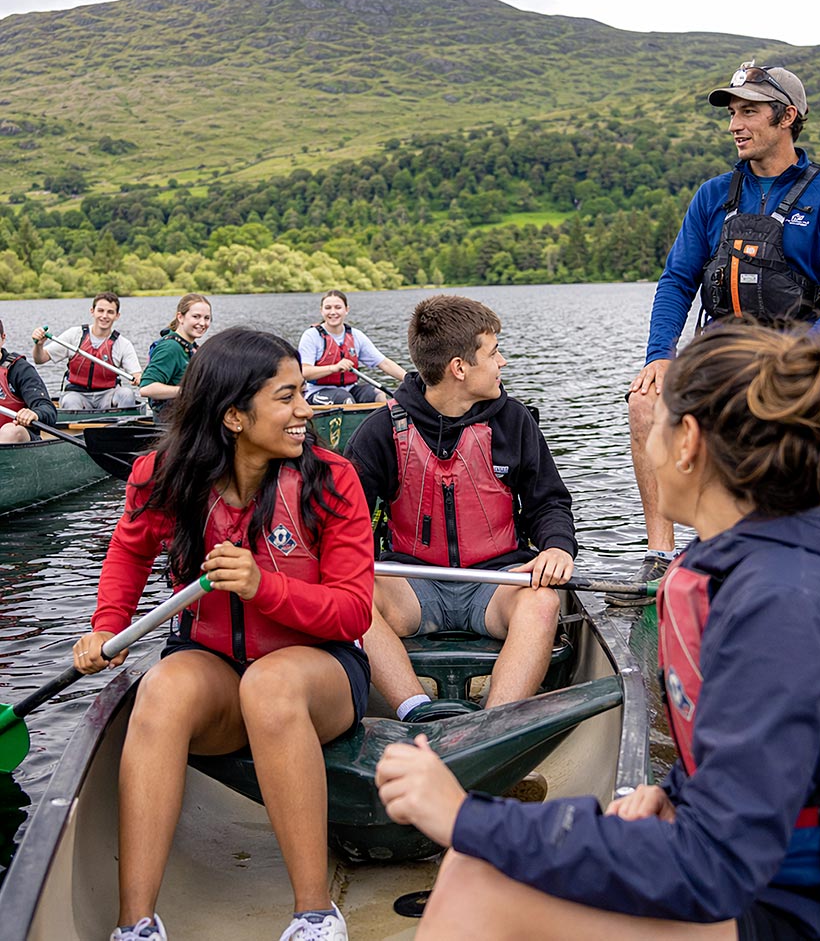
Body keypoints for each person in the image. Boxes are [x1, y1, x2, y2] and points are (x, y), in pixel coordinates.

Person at [376, 321, 820, 941]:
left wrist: (465, 816)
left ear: (687, 443)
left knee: (477, 878)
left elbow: (714, 870)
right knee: (478, 868)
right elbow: (770, 760)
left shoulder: (782, 607)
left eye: (654, 425)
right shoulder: (758, 567)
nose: (643, 448)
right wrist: (678, 793)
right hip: (777, 882)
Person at [72, 327, 374, 941]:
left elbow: (352, 614)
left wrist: (264, 586)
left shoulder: (331, 480)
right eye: (286, 398)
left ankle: (315, 915)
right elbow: (128, 555)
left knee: (269, 685)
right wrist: (109, 626)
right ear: (234, 415)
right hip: (211, 663)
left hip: (319, 674)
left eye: (302, 394)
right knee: (159, 691)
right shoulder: (162, 476)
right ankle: (137, 925)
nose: (304, 411)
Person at [625, 61, 820, 595]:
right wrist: (658, 356)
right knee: (645, 402)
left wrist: (803, 357)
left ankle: (793, 554)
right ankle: (660, 554)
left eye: (749, 112)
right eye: (732, 113)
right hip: (718, 360)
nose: (735, 124)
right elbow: (676, 282)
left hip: (793, 357)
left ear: (787, 117)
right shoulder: (713, 195)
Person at [344, 294, 576, 722]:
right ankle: (418, 712)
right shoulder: (380, 432)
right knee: (351, 597)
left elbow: (549, 503)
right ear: (459, 368)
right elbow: (342, 523)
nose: (502, 362)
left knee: (543, 604)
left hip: (497, 582)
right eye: (493, 352)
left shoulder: (514, 421)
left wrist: (558, 547)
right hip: (412, 585)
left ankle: (492, 726)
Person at [31, 292, 142, 411]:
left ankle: (123, 426)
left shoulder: (123, 344)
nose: (104, 316)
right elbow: (40, 359)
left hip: (108, 395)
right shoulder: (74, 335)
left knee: (127, 394)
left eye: (110, 312)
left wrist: (138, 378)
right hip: (77, 395)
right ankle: (75, 427)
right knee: (70, 401)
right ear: (92, 311)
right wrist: (39, 345)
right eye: (100, 310)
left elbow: (136, 373)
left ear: (117, 315)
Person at [298, 290, 406, 405]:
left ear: (346, 310)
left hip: (350, 389)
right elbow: (304, 372)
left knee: (377, 395)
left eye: (338, 307)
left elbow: (384, 363)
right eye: (328, 308)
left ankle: (382, 421)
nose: (333, 312)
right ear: (321, 311)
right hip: (317, 391)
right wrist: (334, 368)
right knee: (345, 399)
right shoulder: (311, 336)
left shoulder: (356, 336)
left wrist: (409, 379)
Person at [139, 293, 212, 421]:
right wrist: (185, 391)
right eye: (196, 317)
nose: (202, 323)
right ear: (180, 317)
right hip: (172, 424)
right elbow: (146, 388)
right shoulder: (171, 348)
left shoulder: (192, 347)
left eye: (207, 318)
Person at [0, 318, 57, 443]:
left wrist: (34, 414)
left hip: (15, 439)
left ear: (3, 338)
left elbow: (48, 409)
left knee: (10, 431)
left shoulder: (20, 369)